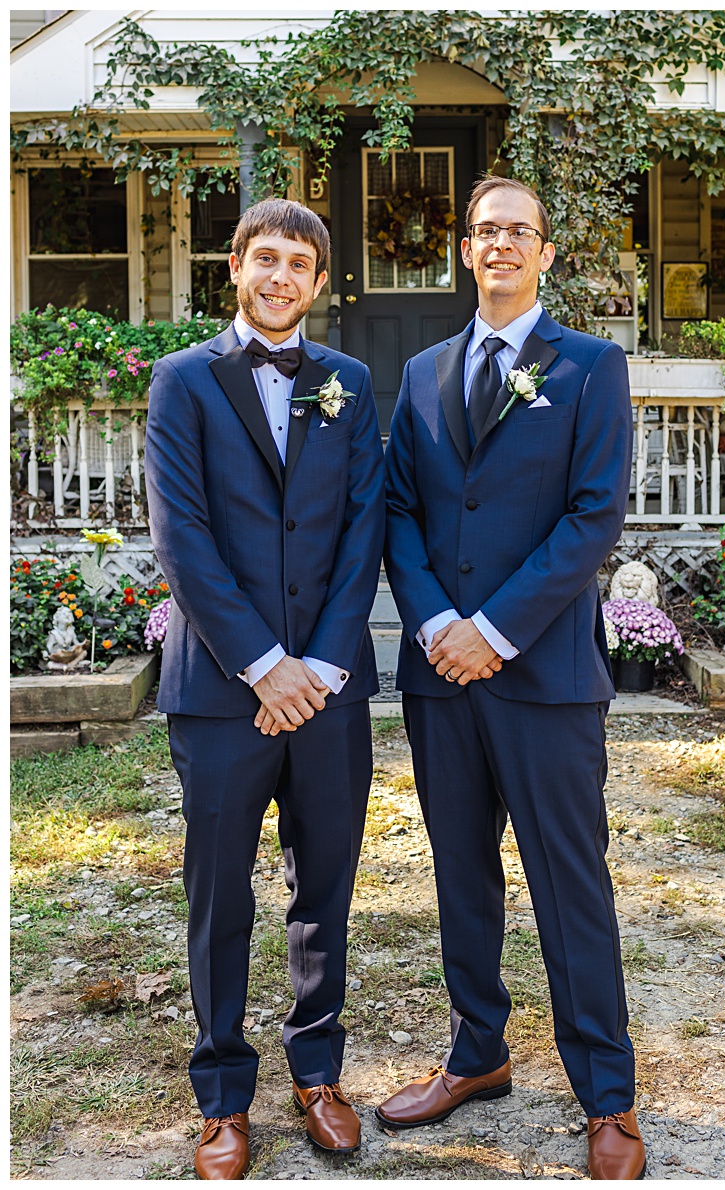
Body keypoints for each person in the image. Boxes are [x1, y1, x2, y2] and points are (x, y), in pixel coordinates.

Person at [378, 176, 644, 1179]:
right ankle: (476, 1053)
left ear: (544, 254)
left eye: (517, 232)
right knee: (460, 874)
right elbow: (398, 508)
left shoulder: (589, 366)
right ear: (464, 250)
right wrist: (440, 623)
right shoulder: (422, 372)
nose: (499, 245)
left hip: (545, 672)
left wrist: (492, 627)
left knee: (570, 882)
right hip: (440, 674)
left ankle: (607, 1097)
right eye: (484, 231)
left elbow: (591, 518)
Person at [144, 197, 384, 1179]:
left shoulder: (351, 384)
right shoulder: (181, 383)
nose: (281, 277)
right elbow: (182, 539)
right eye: (266, 259)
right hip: (222, 690)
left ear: (319, 283)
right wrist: (261, 663)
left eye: (300, 265)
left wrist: (317, 665)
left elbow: (362, 522)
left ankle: (318, 1070)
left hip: (326, 690)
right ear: (235, 266)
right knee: (219, 895)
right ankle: (222, 1094)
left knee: (323, 885)